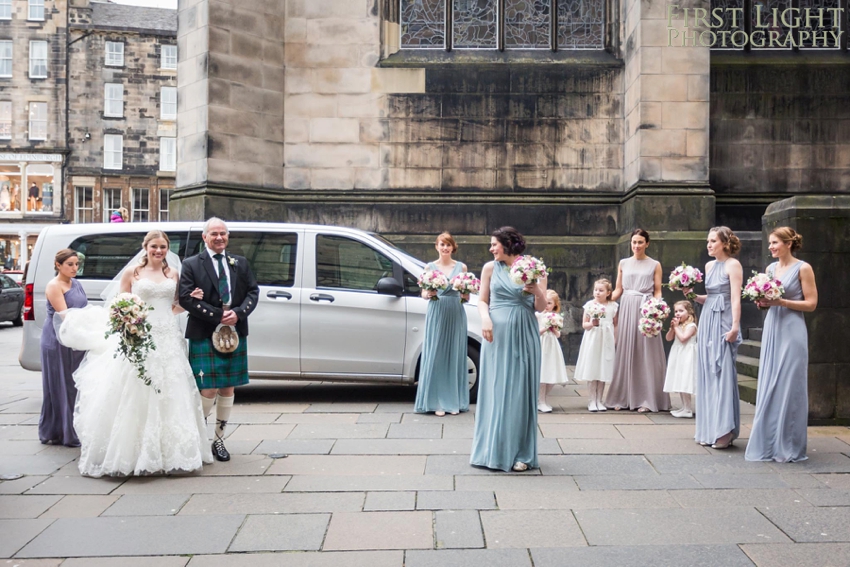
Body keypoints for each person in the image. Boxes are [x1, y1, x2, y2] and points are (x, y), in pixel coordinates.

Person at [70, 230, 213, 476]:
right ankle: (132, 453)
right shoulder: (132, 273)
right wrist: (129, 319)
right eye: (154, 246)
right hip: (140, 338)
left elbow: (175, 306)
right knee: (136, 390)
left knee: (172, 390)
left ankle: (171, 453)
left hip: (168, 336)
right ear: (145, 247)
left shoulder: (173, 274)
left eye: (163, 247)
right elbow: (117, 304)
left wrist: (190, 298)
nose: (159, 251)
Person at [179, 217, 259, 462]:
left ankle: (218, 440)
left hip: (235, 331)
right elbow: (185, 298)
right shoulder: (192, 263)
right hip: (204, 331)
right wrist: (218, 315)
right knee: (208, 388)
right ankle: (200, 438)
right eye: (214, 233)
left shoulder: (240, 263)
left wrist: (239, 313)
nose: (219, 238)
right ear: (205, 237)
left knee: (228, 386)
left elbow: (253, 292)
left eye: (223, 233)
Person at [470, 227, 546, 472]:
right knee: (497, 389)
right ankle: (492, 450)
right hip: (497, 336)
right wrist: (485, 319)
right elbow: (483, 300)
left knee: (520, 392)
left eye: (495, 244)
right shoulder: (490, 268)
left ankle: (521, 453)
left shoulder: (533, 268)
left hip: (524, 333)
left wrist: (536, 290)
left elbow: (542, 307)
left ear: (508, 244)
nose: (491, 249)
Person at [746, 227, 817, 463]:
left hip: (792, 329)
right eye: (769, 243)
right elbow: (769, 303)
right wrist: (763, 302)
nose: (770, 247)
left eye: (775, 243)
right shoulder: (770, 269)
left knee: (790, 384)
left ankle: (789, 446)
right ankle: (768, 442)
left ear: (788, 243)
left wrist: (781, 301)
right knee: (770, 383)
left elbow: (811, 304)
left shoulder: (803, 268)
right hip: (773, 327)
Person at [686, 227, 742, 448]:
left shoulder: (733, 265)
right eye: (707, 241)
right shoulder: (709, 266)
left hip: (724, 321)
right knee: (708, 372)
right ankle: (710, 428)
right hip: (708, 319)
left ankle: (724, 431)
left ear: (725, 243)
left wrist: (735, 326)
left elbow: (735, 299)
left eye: (712, 241)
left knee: (723, 372)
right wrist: (691, 295)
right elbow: (709, 298)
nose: (708, 245)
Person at [605, 229, 670, 413]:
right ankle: (622, 397)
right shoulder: (623, 263)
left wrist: (656, 307)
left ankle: (647, 399)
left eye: (640, 242)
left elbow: (657, 290)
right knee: (626, 349)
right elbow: (618, 289)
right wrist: (604, 303)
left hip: (645, 307)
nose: (636, 246)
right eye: (634, 242)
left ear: (647, 243)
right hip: (626, 307)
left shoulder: (654, 264)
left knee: (646, 352)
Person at [414, 232, 470, 417]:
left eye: (448, 245)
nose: (445, 248)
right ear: (436, 246)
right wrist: (428, 294)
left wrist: (466, 294)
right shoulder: (429, 267)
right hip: (437, 310)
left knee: (454, 354)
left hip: (455, 311)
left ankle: (454, 401)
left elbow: (466, 296)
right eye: (442, 244)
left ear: (453, 247)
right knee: (436, 355)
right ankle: (436, 401)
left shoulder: (461, 268)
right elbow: (423, 293)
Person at [39, 249, 87, 447]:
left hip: (76, 336)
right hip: (57, 338)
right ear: (58, 265)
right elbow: (65, 315)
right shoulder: (53, 285)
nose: (74, 268)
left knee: (75, 383)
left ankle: (73, 427)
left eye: (76, 264)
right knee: (62, 383)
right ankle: (61, 431)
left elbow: (82, 309)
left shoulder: (76, 283)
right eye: (70, 264)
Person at [574, 279, 619, 412]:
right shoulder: (589, 305)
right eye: (596, 290)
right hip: (593, 339)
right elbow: (584, 325)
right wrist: (592, 323)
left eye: (601, 290)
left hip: (606, 339)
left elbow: (615, 323)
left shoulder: (613, 306)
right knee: (593, 367)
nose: (597, 293)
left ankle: (600, 400)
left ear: (608, 292)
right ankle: (591, 400)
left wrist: (615, 339)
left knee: (603, 368)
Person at [536, 289, 569, 413]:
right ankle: (540, 401)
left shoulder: (557, 317)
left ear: (555, 304)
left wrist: (554, 328)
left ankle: (544, 399)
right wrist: (545, 328)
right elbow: (536, 332)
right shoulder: (538, 316)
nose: (546, 306)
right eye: (545, 302)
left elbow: (558, 334)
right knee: (543, 372)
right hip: (541, 344)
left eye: (549, 303)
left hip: (552, 345)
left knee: (551, 372)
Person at [664, 300, 698, 419]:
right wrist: (672, 328)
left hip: (687, 355)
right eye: (676, 311)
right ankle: (684, 407)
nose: (677, 313)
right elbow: (668, 338)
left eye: (681, 311)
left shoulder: (691, 326)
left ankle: (688, 409)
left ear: (689, 312)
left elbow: (683, 339)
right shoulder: (678, 326)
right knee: (679, 379)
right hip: (678, 354)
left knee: (685, 380)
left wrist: (677, 327)